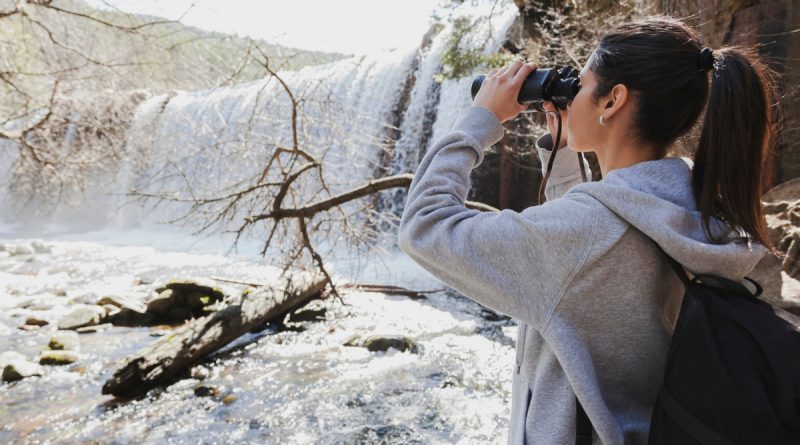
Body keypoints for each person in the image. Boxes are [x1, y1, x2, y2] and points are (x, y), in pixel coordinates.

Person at [397, 16, 779, 445]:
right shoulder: (699, 209)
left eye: (580, 83)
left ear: (612, 100)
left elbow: (424, 225)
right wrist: (561, 151)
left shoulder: (587, 234)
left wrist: (480, 119)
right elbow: (584, 263)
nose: (571, 94)